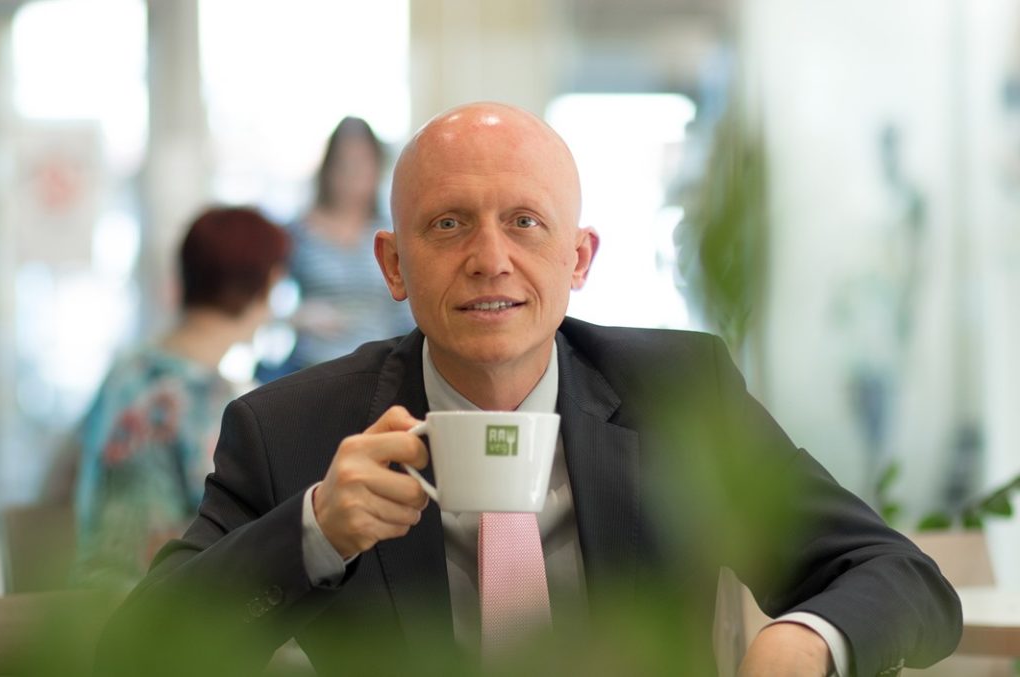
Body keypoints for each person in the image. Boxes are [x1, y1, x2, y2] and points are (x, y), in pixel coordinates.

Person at [95, 104, 961, 676]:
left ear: (577, 259)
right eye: (448, 224)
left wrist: (803, 640)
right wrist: (316, 529)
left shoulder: (676, 395)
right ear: (393, 264)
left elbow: (900, 575)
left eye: (525, 222)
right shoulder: (295, 428)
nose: (490, 259)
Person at [72, 206, 290, 591]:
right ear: (266, 284)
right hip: (163, 610)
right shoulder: (212, 398)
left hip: (90, 602)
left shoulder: (127, 371)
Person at [255, 116, 414, 382]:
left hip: (381, 370)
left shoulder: (393, 230)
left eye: (364, 162)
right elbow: (254, 303)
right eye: (345, 164)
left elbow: (407, 309)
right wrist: (299, 317)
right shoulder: (298, 233)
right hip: (312, 370)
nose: (354, 174)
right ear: (328, 168)